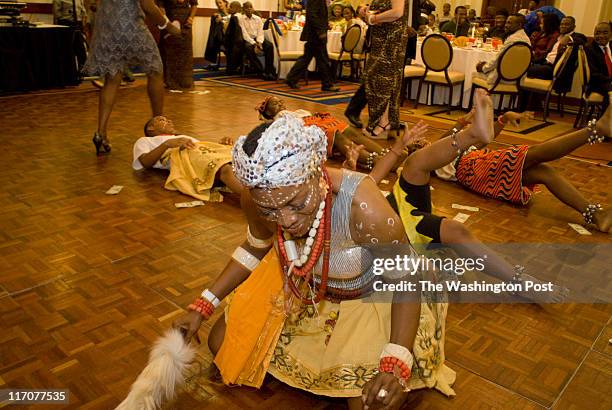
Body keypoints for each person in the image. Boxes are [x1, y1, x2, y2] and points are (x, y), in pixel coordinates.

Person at [173, 113, 456, 409]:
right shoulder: (258, 197)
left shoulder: (365, 208)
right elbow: (253, 249)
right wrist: (202, 305)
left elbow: (405, 281)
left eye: (296, 204)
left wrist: (396, 360)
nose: (286, 220)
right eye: (270, 212)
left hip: (376, 298)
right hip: (308, 290)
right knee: (222, 345)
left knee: (373, 401)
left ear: (317, 175)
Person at [346, 90, 573, 303]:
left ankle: (474, 134)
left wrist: (396, 148)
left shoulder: (341, 186)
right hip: (392, 230)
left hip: (399, 210)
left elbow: (372, 178)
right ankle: (521, 281)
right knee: (452, 225)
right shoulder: (330, 212)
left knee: (416, 169)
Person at [83, 0, 180, 156]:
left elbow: (92, 3)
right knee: (155, 70)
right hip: (130, 25)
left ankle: (100, 133)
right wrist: (168, 26)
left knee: (112, 80)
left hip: (106, 26)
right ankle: (159, 128)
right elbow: (148, 6)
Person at [256, 95, 413, 170]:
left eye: (280, 100)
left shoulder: (293, 111)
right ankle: (376, 161)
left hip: (319, 123)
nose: (280, 103)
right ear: (269, 112)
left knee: (352, 133)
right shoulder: (279, 118)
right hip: (309, 131)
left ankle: (387, 155)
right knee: (339, 137)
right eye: (275, 103)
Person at [344, 0, 412, 140]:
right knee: (379, 79)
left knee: (383, 80)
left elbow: (397, 12)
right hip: (382, 38)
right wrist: (366, 9)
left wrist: (373, 18)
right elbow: (384, 8)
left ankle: (383, 123)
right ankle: (385, 122)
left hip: (391, 40)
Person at [134, 116, 243, 200]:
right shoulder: (145, 140)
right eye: (162, 120)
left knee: (242, 160)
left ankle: (255, 192)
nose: (169, 121)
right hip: (186, 157)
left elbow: (202, 149)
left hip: (202, 154)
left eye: (169, 120)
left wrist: (220, 145)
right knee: (225, 169)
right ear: (150, 128)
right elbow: (144, 162)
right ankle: (254, 202)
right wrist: (166, 144)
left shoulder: (181, 137)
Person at [285, 0, 340, 91]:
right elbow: (312, 15)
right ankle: (327, 84)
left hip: (314, 33)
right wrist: (320, 31)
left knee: (307, 58)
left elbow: (318, 14)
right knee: (322, 59)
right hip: (316, 34)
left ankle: (291, 78)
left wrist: (325, 25)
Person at [474, 14, 530, 87]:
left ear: (519, 25)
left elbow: (498, 60)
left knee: (473, 73)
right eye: (506, 22)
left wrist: (483, 67)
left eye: (509, 23)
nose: (506, 25)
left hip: (501, 79)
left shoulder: (512, 39)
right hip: (518, 80)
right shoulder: (526, 38)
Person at [526, 16, 586, 80]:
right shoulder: (559, 36)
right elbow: (548, 54)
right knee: (524, 65)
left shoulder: (576, 37)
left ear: (574, 27)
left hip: (553, 68)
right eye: (562, 24)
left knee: (524, 69)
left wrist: (570, 38)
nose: (563, 26)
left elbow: (583, 40)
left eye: (566, 24)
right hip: (544, 62)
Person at [159, 0, 198, 90]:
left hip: (186, 24)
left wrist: (191, 18)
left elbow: (194, 4)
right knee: (169, 53)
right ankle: (169, 81)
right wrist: (167, 23)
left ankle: (185, 81)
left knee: (185, 53)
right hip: (170, 23)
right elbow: (160, 6)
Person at [239, 2, 276, 80]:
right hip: (248, 40)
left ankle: (269, 71)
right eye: (247, 7)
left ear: (253, 8)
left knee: (269, 45)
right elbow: (244, 34)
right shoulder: (241, 19)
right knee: (248, 48)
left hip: (258, 39)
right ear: (243, 9)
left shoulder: (257, 19)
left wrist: (259, 42)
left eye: (250, 7)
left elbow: (261, 32)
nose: (249, 9)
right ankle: (260, 71)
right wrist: (254, 44)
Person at [54, 0, 88, 70]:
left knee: (80, 47)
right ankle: (68, 70)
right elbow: (56, 12)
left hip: (78, 24)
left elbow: (83, 11)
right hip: (66, 24)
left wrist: (83, 23)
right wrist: (65, 19)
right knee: (67, 48)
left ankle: (83, 69)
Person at [585, 22, 612, 110]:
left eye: (605, 33)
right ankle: (605, 121)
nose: (600, 36)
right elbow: (594, 74)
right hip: (597, 83)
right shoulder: (589, 49)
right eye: (597, 33)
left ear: (611, 34)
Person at [204, 0, 230, 70]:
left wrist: (223, 19)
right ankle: (223, 44)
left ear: (225, 2)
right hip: (221, 37)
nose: (218, 5)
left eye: (220, 2)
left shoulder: (231, 13)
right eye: (217, 3)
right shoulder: (216, 15)